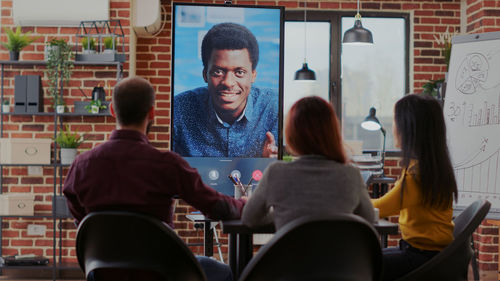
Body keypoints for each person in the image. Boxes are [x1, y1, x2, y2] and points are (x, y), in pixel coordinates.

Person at [63, 77, 245, 281]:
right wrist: (244, 205)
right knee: (224, 272)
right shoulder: (167, 165)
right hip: (161, 273)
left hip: (103, 273)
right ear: (151, 114)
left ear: (113, 111)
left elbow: (83, 222)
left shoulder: (81, 166)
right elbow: (216, 206)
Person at [241, 96, 374, 230]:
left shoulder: (276, 173)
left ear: (292, 134)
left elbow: (249, 218)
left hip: (289, 251)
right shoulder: (351, 174)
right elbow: (368, 219)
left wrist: (281, 215)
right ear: (332, 132)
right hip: (337, 251)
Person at [372, 94, 458, 281]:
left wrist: (347, 198)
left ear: (408, 129)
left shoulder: (415, 176)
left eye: (395, 121)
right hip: (433, 255)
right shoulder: (431, 168)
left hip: (422, 258)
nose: (392, 127)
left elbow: (379, 207)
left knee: (362, 265)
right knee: (368, 260)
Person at [173, 22, 278, 158]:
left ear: (253, 75)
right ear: (205, 75)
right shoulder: (179, 110)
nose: (228, 83)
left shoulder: (274, 108)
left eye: (239, 72)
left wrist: (271, 163)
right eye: (218, 72)